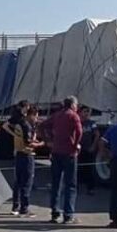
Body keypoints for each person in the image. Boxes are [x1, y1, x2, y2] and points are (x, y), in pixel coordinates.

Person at [48, 96, 83, 224]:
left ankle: (54, 213)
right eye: (77, 104)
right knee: (70, 185)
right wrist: (76, 145)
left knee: (56, 183)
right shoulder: (74, 116)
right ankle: (68, 215)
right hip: (69, 153)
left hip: (56, 152)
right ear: (73, 105)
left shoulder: (57, 115)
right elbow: (79, 132)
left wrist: (49, 140)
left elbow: (42, 126)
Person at [4, 104, 43, 217]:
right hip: (27, 154)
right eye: (36, 116)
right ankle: (24, 208)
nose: (36, 119)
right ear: (32, 115)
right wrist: (41, 143)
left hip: (18, 153)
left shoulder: (18, 123)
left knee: (18, 182)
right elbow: (29, 142)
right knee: (27, 182)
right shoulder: (26, 126)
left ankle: (15, 206)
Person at [78, 105, 100, 196]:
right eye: (85, 111)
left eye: (88, 112)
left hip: (89, 148)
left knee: (89, 169)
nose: (87, 113)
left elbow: (97, 134)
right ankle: (76, 187)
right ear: (80, 112)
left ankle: (90, 188)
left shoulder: (92, 123)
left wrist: (93, 146)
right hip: (79, 149)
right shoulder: (78, 122)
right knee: (78, 168)